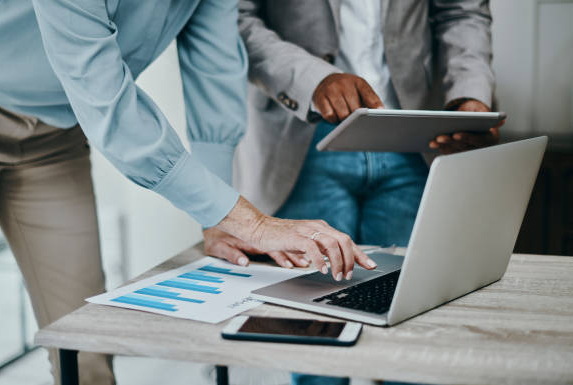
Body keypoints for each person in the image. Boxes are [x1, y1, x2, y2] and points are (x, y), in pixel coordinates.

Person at [0, 1, 376, 384]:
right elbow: (106, 99)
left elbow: (214, 69)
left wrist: (219, 223)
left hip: (52, 139)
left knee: (87, 352)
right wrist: (252, 222)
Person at [203, 1, 500, 384]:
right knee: (316, 347)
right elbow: (235, 17)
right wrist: (312, 78)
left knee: (412, 337)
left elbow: (463, 11)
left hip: (415, 133)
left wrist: (469, 94)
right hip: (302, 137)